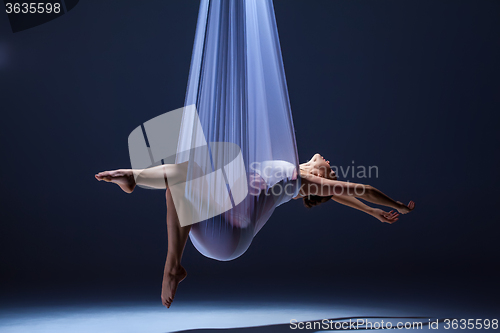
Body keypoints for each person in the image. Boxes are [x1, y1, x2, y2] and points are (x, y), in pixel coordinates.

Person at [95, 153, 415, 308]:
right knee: (185, 180)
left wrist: (397, 205)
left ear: (321, 179)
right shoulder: (291, 171)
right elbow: (349, 197)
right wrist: (373, 213)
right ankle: (134, 176)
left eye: (329, 169)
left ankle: (170, 267)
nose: (328, 160)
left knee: (191, 176)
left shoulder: (301, 180)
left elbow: (360, 188)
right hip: (215, 227)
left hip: (232, 236)